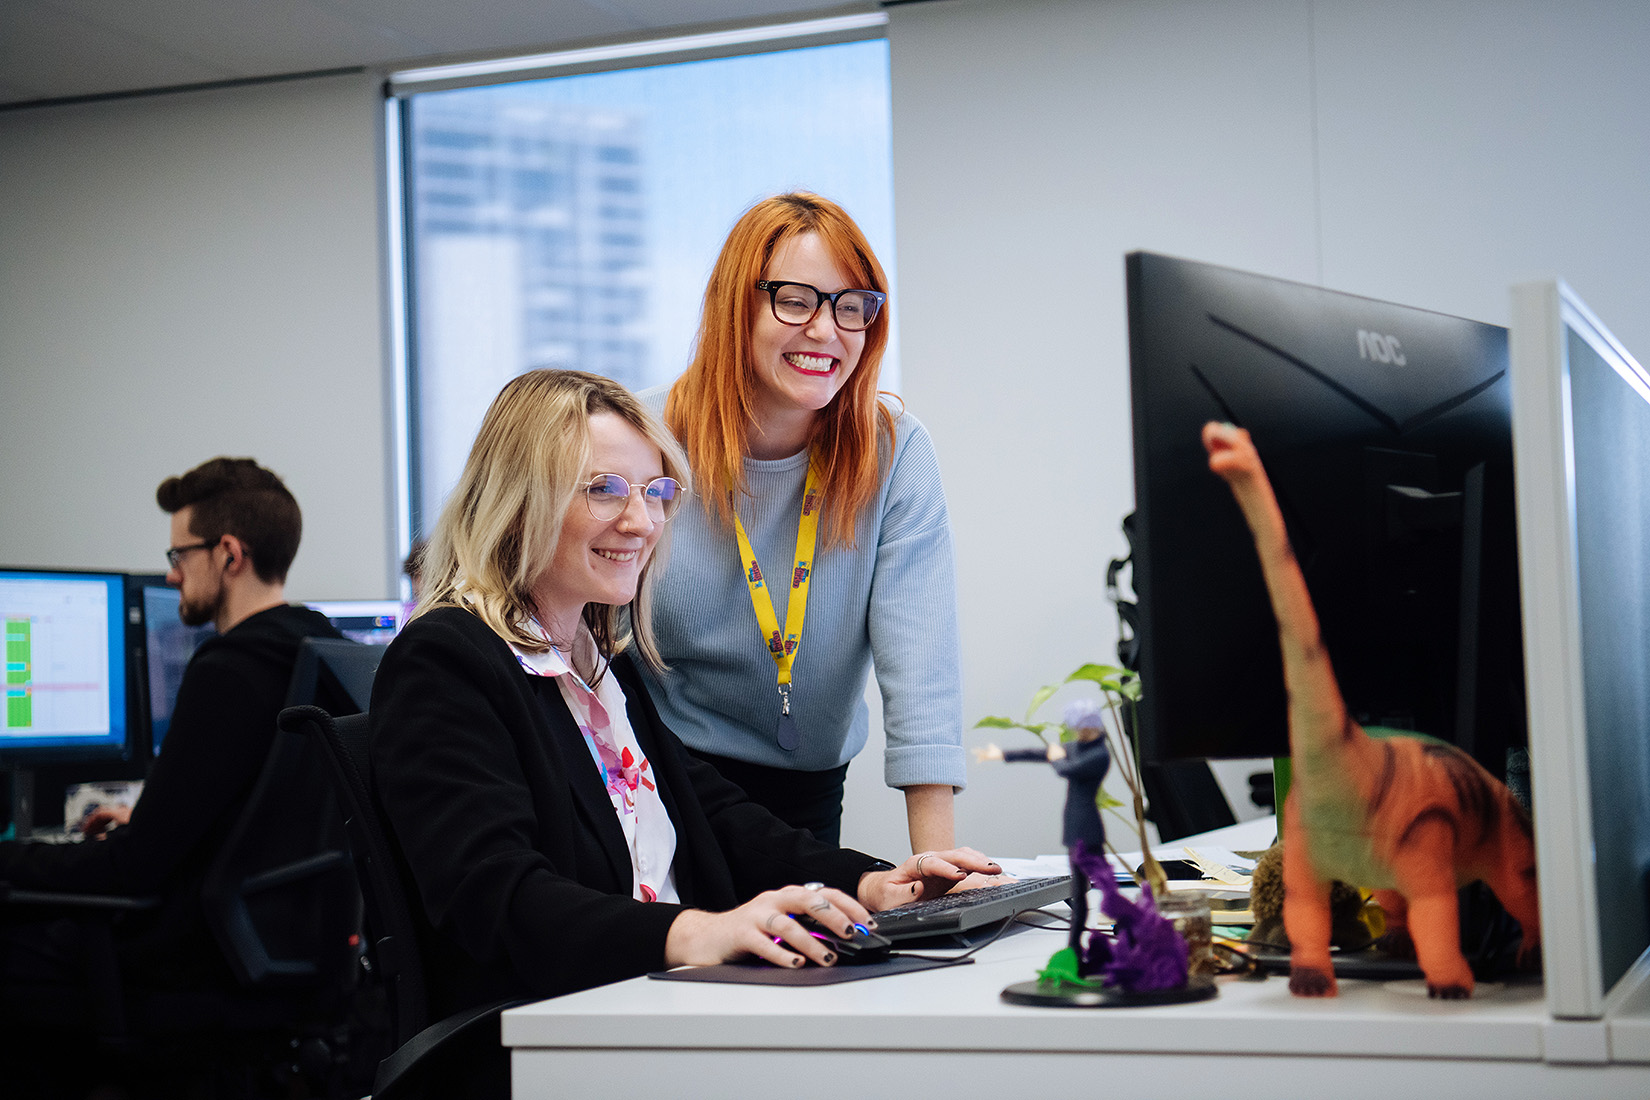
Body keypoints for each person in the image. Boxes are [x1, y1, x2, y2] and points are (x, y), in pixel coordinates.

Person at [369, 370, 996, 1042]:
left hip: (656, 1008)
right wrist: (700, 933)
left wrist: (873, 886)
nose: (642, 522)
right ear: (518, 499)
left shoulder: (596, 661)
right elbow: (496, 898)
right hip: (552, 1039)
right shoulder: (446, 662)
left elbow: (711, 816)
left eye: (656, 492)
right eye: (604, 489)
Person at [643, 192, 965, 852]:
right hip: (662, 782)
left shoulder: (894, 450)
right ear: (737, 306)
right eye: (795, 301)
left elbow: (921, 671)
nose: (825, 330)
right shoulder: (644, 439)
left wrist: (938, 865)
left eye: (851, 307)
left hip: (811, 794)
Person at [0, 457, 345, 997]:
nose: (171, 574)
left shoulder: (228, 671)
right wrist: (150, 821)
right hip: (279, 957)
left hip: (191, 969)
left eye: (179, 554)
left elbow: (130, 868)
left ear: (228, 554)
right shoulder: (325, 653)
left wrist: (11, 857)